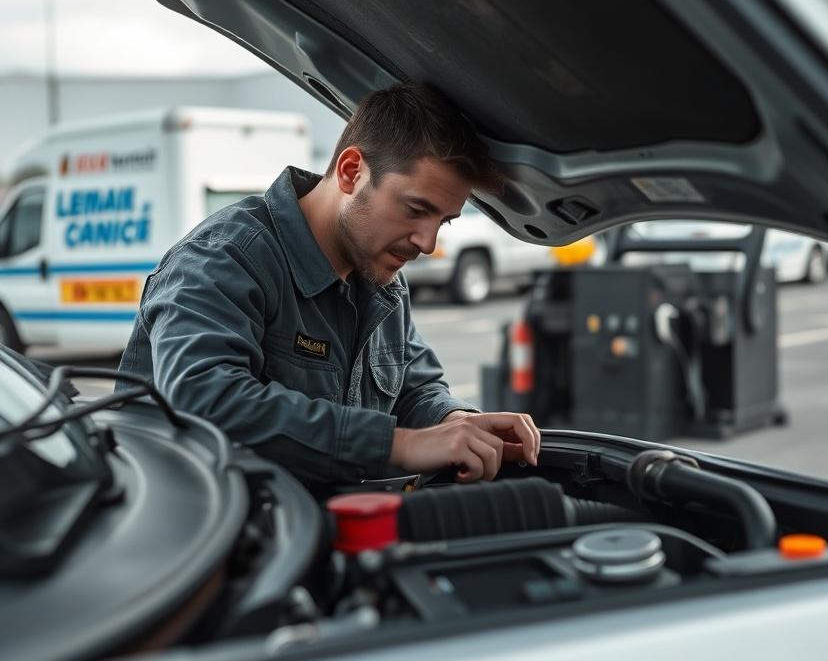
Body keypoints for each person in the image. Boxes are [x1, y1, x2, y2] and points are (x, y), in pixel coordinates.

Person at [118, 82, 540, 492]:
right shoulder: (224, 258)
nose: (427, 243)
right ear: (351, 171)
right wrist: (400, 445)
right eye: (415, 209)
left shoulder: (382, 282)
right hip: (199, 544)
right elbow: (203, 399)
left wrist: (454, 422)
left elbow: (415, 388)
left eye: (442, 222)